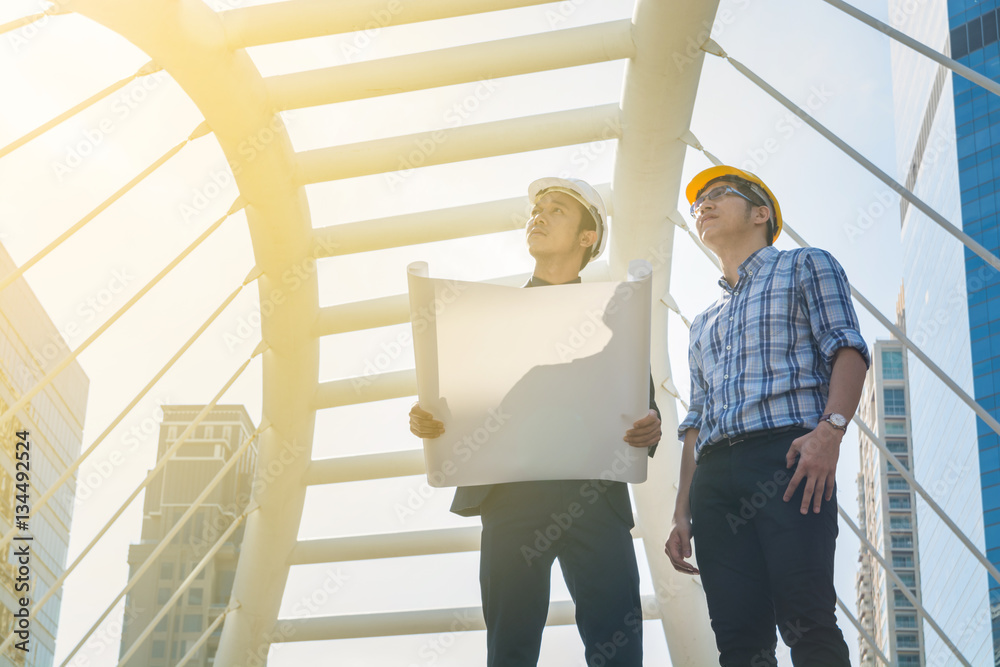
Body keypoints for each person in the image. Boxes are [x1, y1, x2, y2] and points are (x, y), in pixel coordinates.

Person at [409, 177, 661, 667]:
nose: (537, 217)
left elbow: (642, 407)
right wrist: (429, 418)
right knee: (509, 651)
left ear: (588, 238)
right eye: (536, 209)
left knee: (618, 648)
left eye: (556, 211)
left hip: (594, 497)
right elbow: (461, 402)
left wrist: (649, 428)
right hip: (510, 500)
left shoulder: (617, 323)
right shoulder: (485, 322)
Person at [663, 166, 869, 667]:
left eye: (717, 196)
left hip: (789, 459)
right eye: (697, 204)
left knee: (808, 619)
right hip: (714, 480)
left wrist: (831, 433)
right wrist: (681, 509)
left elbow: (848, 349)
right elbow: (696, 419)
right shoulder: (702, 322)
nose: (702, 207)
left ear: (761, 213)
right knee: (738, 643)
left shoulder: (806, 264)